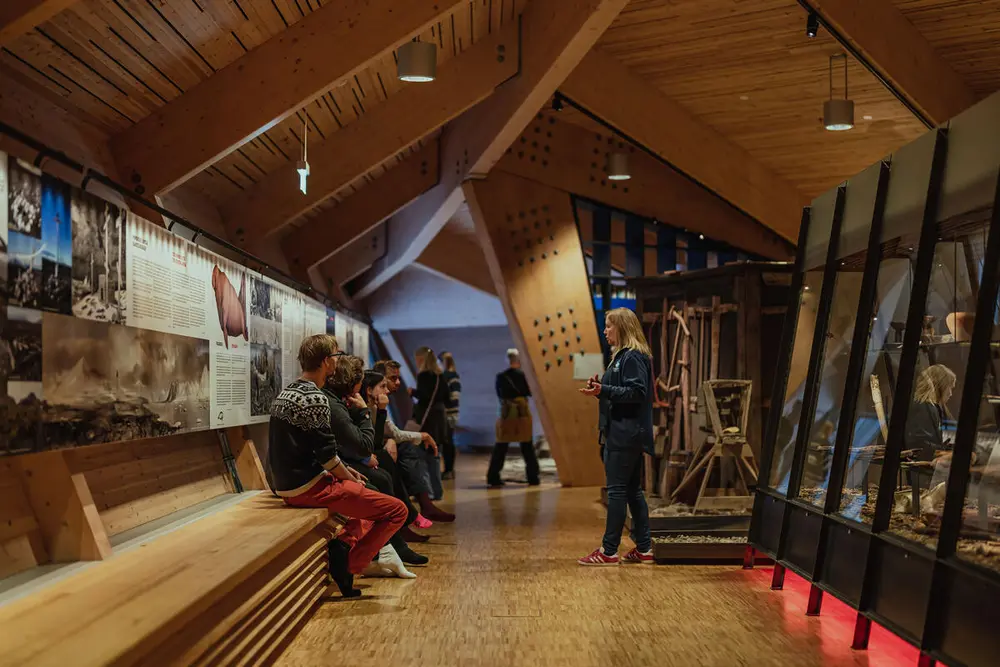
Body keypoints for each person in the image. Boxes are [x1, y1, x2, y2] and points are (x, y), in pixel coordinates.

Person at [267, 334, 407, 596]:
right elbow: (328, 457)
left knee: (364, 500)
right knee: (396, 510)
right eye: (336, 355)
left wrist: (346, 472)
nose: (338, 360)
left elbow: (316, 451)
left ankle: (343, 547)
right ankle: (350, 564)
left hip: (286, 485)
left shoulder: (287, 392)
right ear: (326, 362)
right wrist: (349, 478)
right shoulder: (315, 398)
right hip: (307, 487)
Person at [323, 356, 425, 574]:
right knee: (379, 482)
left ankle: (394, 542)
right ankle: (381, 551)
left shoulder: (345, 401)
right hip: (334, 468)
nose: (389, 389)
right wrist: (367, 413)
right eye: (384, 385)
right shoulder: (343, 405)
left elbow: (370, 443)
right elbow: (365, 445)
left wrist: (377, 414)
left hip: (340, 463)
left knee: (385, 472)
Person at [578, 308, 654, 565]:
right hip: (621, 432)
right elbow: (622, 389)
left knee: (618, 491)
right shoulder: (621, 356)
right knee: (633, 491)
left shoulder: (632, 356)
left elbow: (636, 392)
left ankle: (608, 550)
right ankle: (644, 548)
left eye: (609, 326)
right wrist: (601, 389)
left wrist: (605, 389)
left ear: (621, 327)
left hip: (625, 433)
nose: (605, 331)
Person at [374, 359, 456, 523]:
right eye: (392, 378)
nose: (397, 383)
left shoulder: (382, 399)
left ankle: (416, 511)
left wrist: (392, 438)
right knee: (405, 452)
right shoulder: (376, 400)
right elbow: (391, 432)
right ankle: (415, 512)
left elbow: (389, 431)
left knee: (406, 453)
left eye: (398, 378)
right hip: (369, 450)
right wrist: (421, 436)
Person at [487, 349, 540, 488]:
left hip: (506, 412)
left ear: (508, 360)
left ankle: (493, 476)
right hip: (522, 412)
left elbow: (499, 394)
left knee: (501, 445)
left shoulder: (501, 376)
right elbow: (530, 392)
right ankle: (533, 477)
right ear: (519, 360)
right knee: (527, 446)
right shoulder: (525, 376)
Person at [411, 347, 450, 499]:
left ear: (421, 359)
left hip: (427, 419)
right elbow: (448, 397)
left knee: (421, 455)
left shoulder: (423, 375)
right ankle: (437, 491)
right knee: (434, 454)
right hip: (440, 418)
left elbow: (423, 396)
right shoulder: (441, 376)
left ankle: (427, 492)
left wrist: (412, 392)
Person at [906, 364, 957, 461]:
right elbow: (919, 444)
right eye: (949, 387)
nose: (950, 393)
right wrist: (943, 450)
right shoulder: (923, 407)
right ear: (940, 386)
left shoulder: (933, 407)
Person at [439, 351, 461, 480]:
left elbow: (451, 396)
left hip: (446, 412)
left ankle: (448, 469)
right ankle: (449, 469)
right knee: (448, 441)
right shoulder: (454, 376)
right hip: (453, 412)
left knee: (446, 442)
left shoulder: (445, 376)